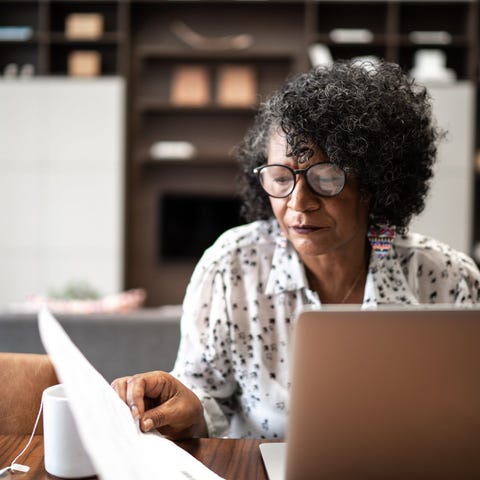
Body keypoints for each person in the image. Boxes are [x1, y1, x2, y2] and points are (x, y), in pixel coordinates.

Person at [112, 59, 480, 440]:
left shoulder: (446, 280)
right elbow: (206, 398)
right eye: (281, 177)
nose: (299, 202)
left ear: (374, 184)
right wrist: (186, 405)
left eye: (326, 178)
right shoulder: (232, 267)